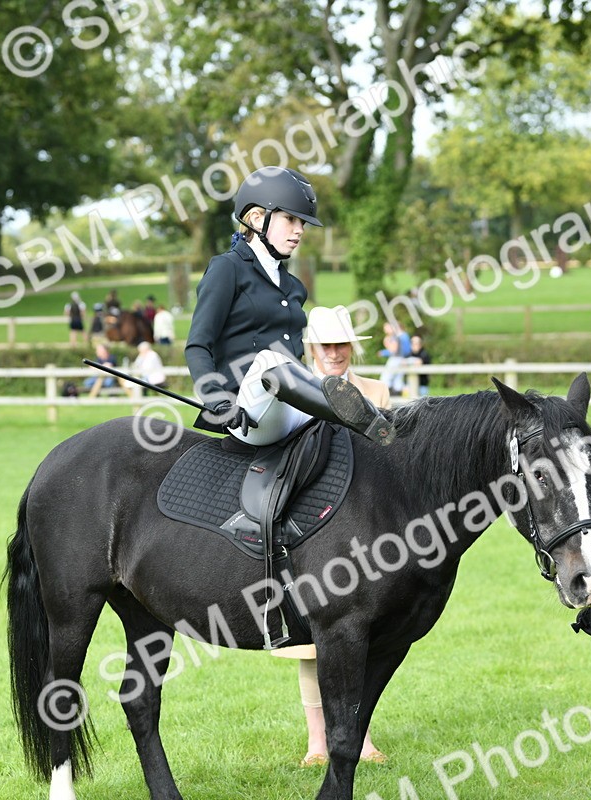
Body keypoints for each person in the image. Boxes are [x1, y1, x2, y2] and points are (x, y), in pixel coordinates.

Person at [184, 165, 393, 446]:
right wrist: (217, 400)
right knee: (272, 359)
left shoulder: (294, 287)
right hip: (248, 415)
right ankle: (351, 411)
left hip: (291, 410)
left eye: (302, 223)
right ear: (257, 218)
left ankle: (372, 417)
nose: (300, 231)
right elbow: (198, 345)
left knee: (305, 373)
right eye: (291, 219)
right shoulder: (227, 269)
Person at [271, 304, 388, 767]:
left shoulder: (377, 391)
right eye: (326, 345)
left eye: (341, 344)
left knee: (366, 635)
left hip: (369, 524)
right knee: (311, 641)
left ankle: (363, 737)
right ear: (311, 349)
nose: (334, 353)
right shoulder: (297, 390)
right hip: (312, 525)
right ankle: (317, 742)